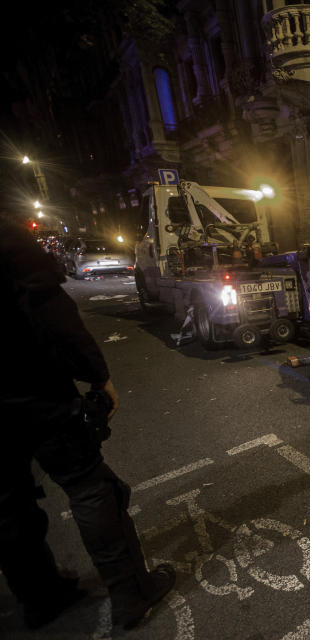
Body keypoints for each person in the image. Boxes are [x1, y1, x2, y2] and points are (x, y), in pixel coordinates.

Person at [0, 219, 175, 630]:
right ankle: (131, 593)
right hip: (35, 395)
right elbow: (55, 318)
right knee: (92, 489)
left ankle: (39, 597)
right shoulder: (7, 242)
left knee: (7, 506)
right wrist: (97, 375)